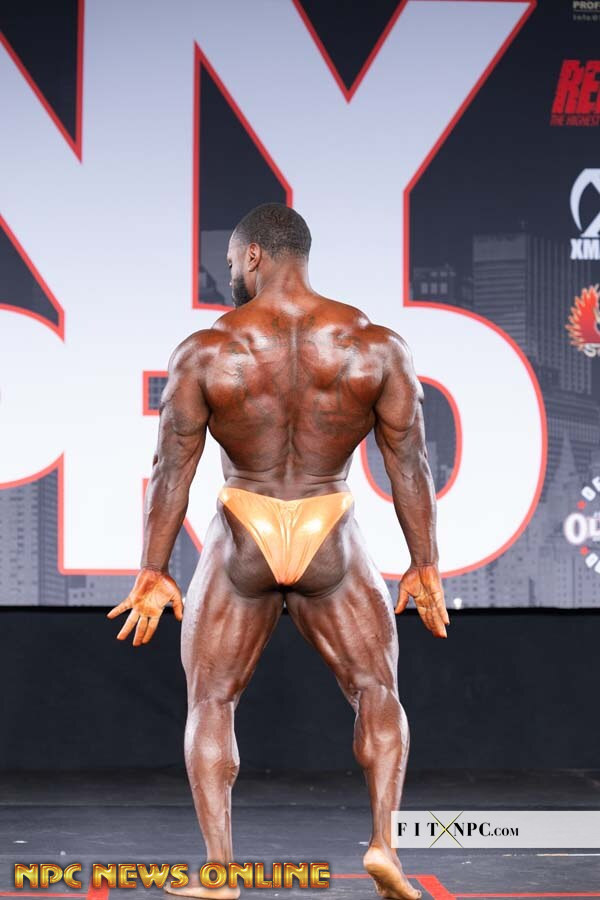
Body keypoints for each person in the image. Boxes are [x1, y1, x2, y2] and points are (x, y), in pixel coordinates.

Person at [107, 202, 449, 900]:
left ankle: (220, 874)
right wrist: (425, 563)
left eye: (232, 262)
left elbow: (172, 467)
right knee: (377, 689)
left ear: (255, 256)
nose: (231, 273)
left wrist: (152, 569)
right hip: (327, 525)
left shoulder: (208, 350)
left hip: (246, 526)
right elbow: (410, 463)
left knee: (212, 698)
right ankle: (384, 845)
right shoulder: (374, 346)